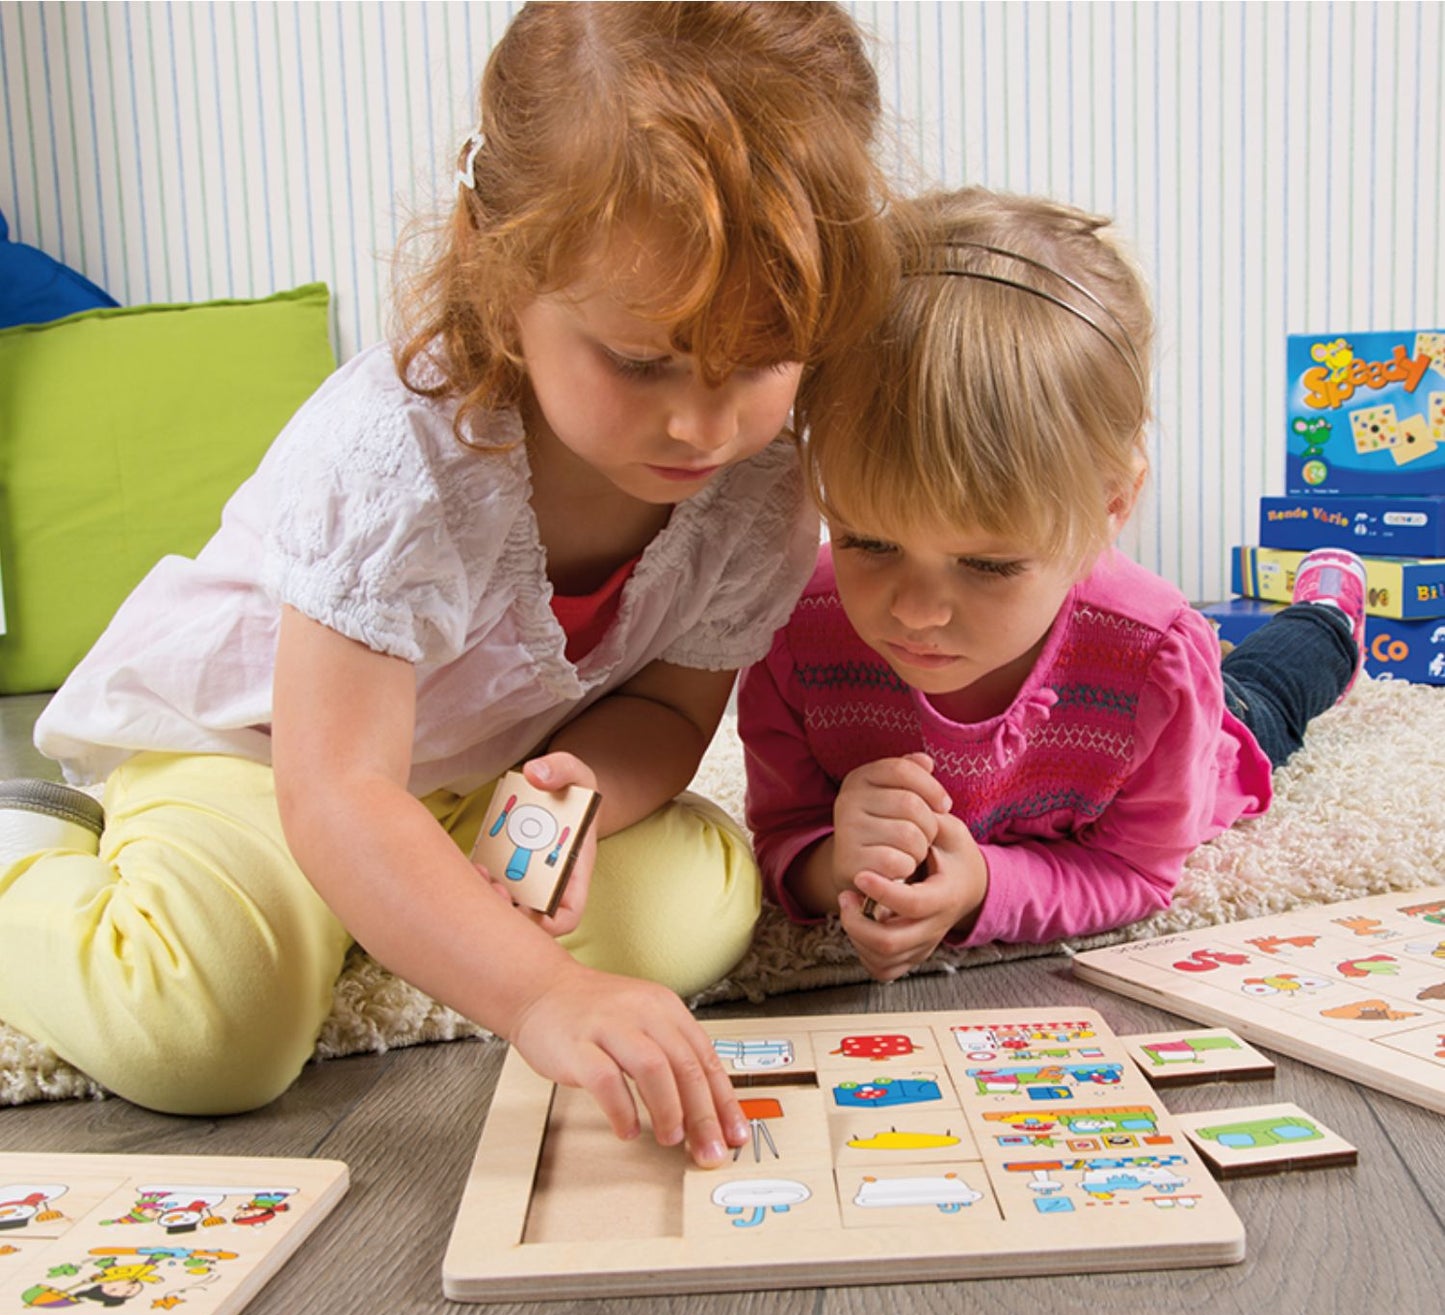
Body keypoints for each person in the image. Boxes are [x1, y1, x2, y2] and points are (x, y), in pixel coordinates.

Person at [0, 2, 897, 1166]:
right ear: (494, 255)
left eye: (762, 361)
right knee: (208, 1030)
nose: (701, 424)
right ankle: (26, 855)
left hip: (479, 775)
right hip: (269, 756)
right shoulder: (400, 457)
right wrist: (535, 993)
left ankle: (384, 912)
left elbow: (670, 713)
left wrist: (582, 788)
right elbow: (337, 789)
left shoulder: (758, 487)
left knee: (699, 904)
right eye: (641, 362)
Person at [739, 186, 1367, 983]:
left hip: (1194, 731)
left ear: (1111, 506)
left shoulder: (1154, 659)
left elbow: (1135, 872)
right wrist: (834, 862)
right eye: (867, 541)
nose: (916, 612)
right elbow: (781, 836)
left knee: (1264, 696)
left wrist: (983, 886)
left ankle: (1325, 611)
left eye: (987, 564)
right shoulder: (792, 633)